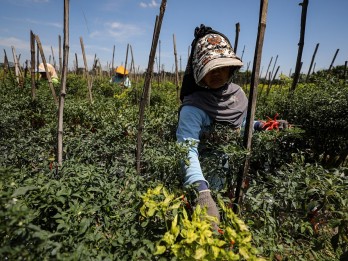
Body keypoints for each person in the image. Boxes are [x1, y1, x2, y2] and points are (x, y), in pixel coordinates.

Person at [176, 24, 288, 226]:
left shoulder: (237, 95)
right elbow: (187, 149)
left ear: (231, 68)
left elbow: (239, 124)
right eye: (211, 68)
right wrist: (201, 192)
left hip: (228, 169)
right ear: (199, 71)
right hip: (200, 177)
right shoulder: (193, 107)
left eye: (221, 67)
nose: (217, 73)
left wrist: (262, 125)